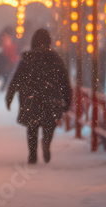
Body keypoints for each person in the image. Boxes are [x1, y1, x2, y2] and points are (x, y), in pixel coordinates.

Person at [5, 28, 72, 164]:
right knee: (49, 124)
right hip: (51, 97)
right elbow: (64, 80)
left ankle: (33, 154)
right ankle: (46, 144)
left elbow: (17, 78)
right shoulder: (55, 58)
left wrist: (9, 96)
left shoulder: (28, 58)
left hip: (31, 97)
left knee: (32, 126)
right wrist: (67, 99)